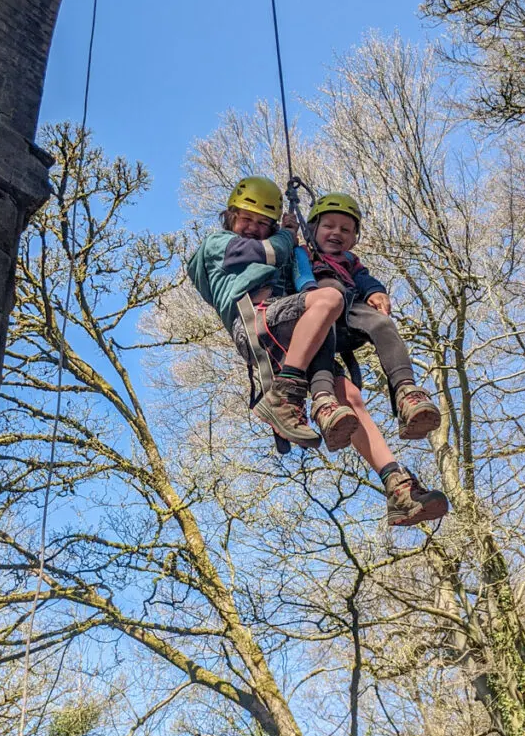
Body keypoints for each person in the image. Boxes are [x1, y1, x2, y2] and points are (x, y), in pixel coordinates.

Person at [187, 176, 448, 526]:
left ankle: (397, 487)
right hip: (256, 320)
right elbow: (271, 251)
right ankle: (285, 393)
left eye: (262, 223)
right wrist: (287, 232)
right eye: (245, 218)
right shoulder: (220, 244)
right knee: (328, 299)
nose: (253, 227)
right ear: (230, 216)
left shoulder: (276, 249)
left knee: (350, 398)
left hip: (288, 325)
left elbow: (295, 261)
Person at [305, 193, 442, 441]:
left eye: (346, 230)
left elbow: (364, 279)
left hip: (350, 310)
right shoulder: (301, 253)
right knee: (321, 333)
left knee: (382, 323)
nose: (337, 233)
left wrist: (376, 291)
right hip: (318, 314)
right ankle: (324, 400)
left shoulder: (349, 260)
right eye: (328, 226)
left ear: (354, 239)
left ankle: (406, 392)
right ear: (312, 229)